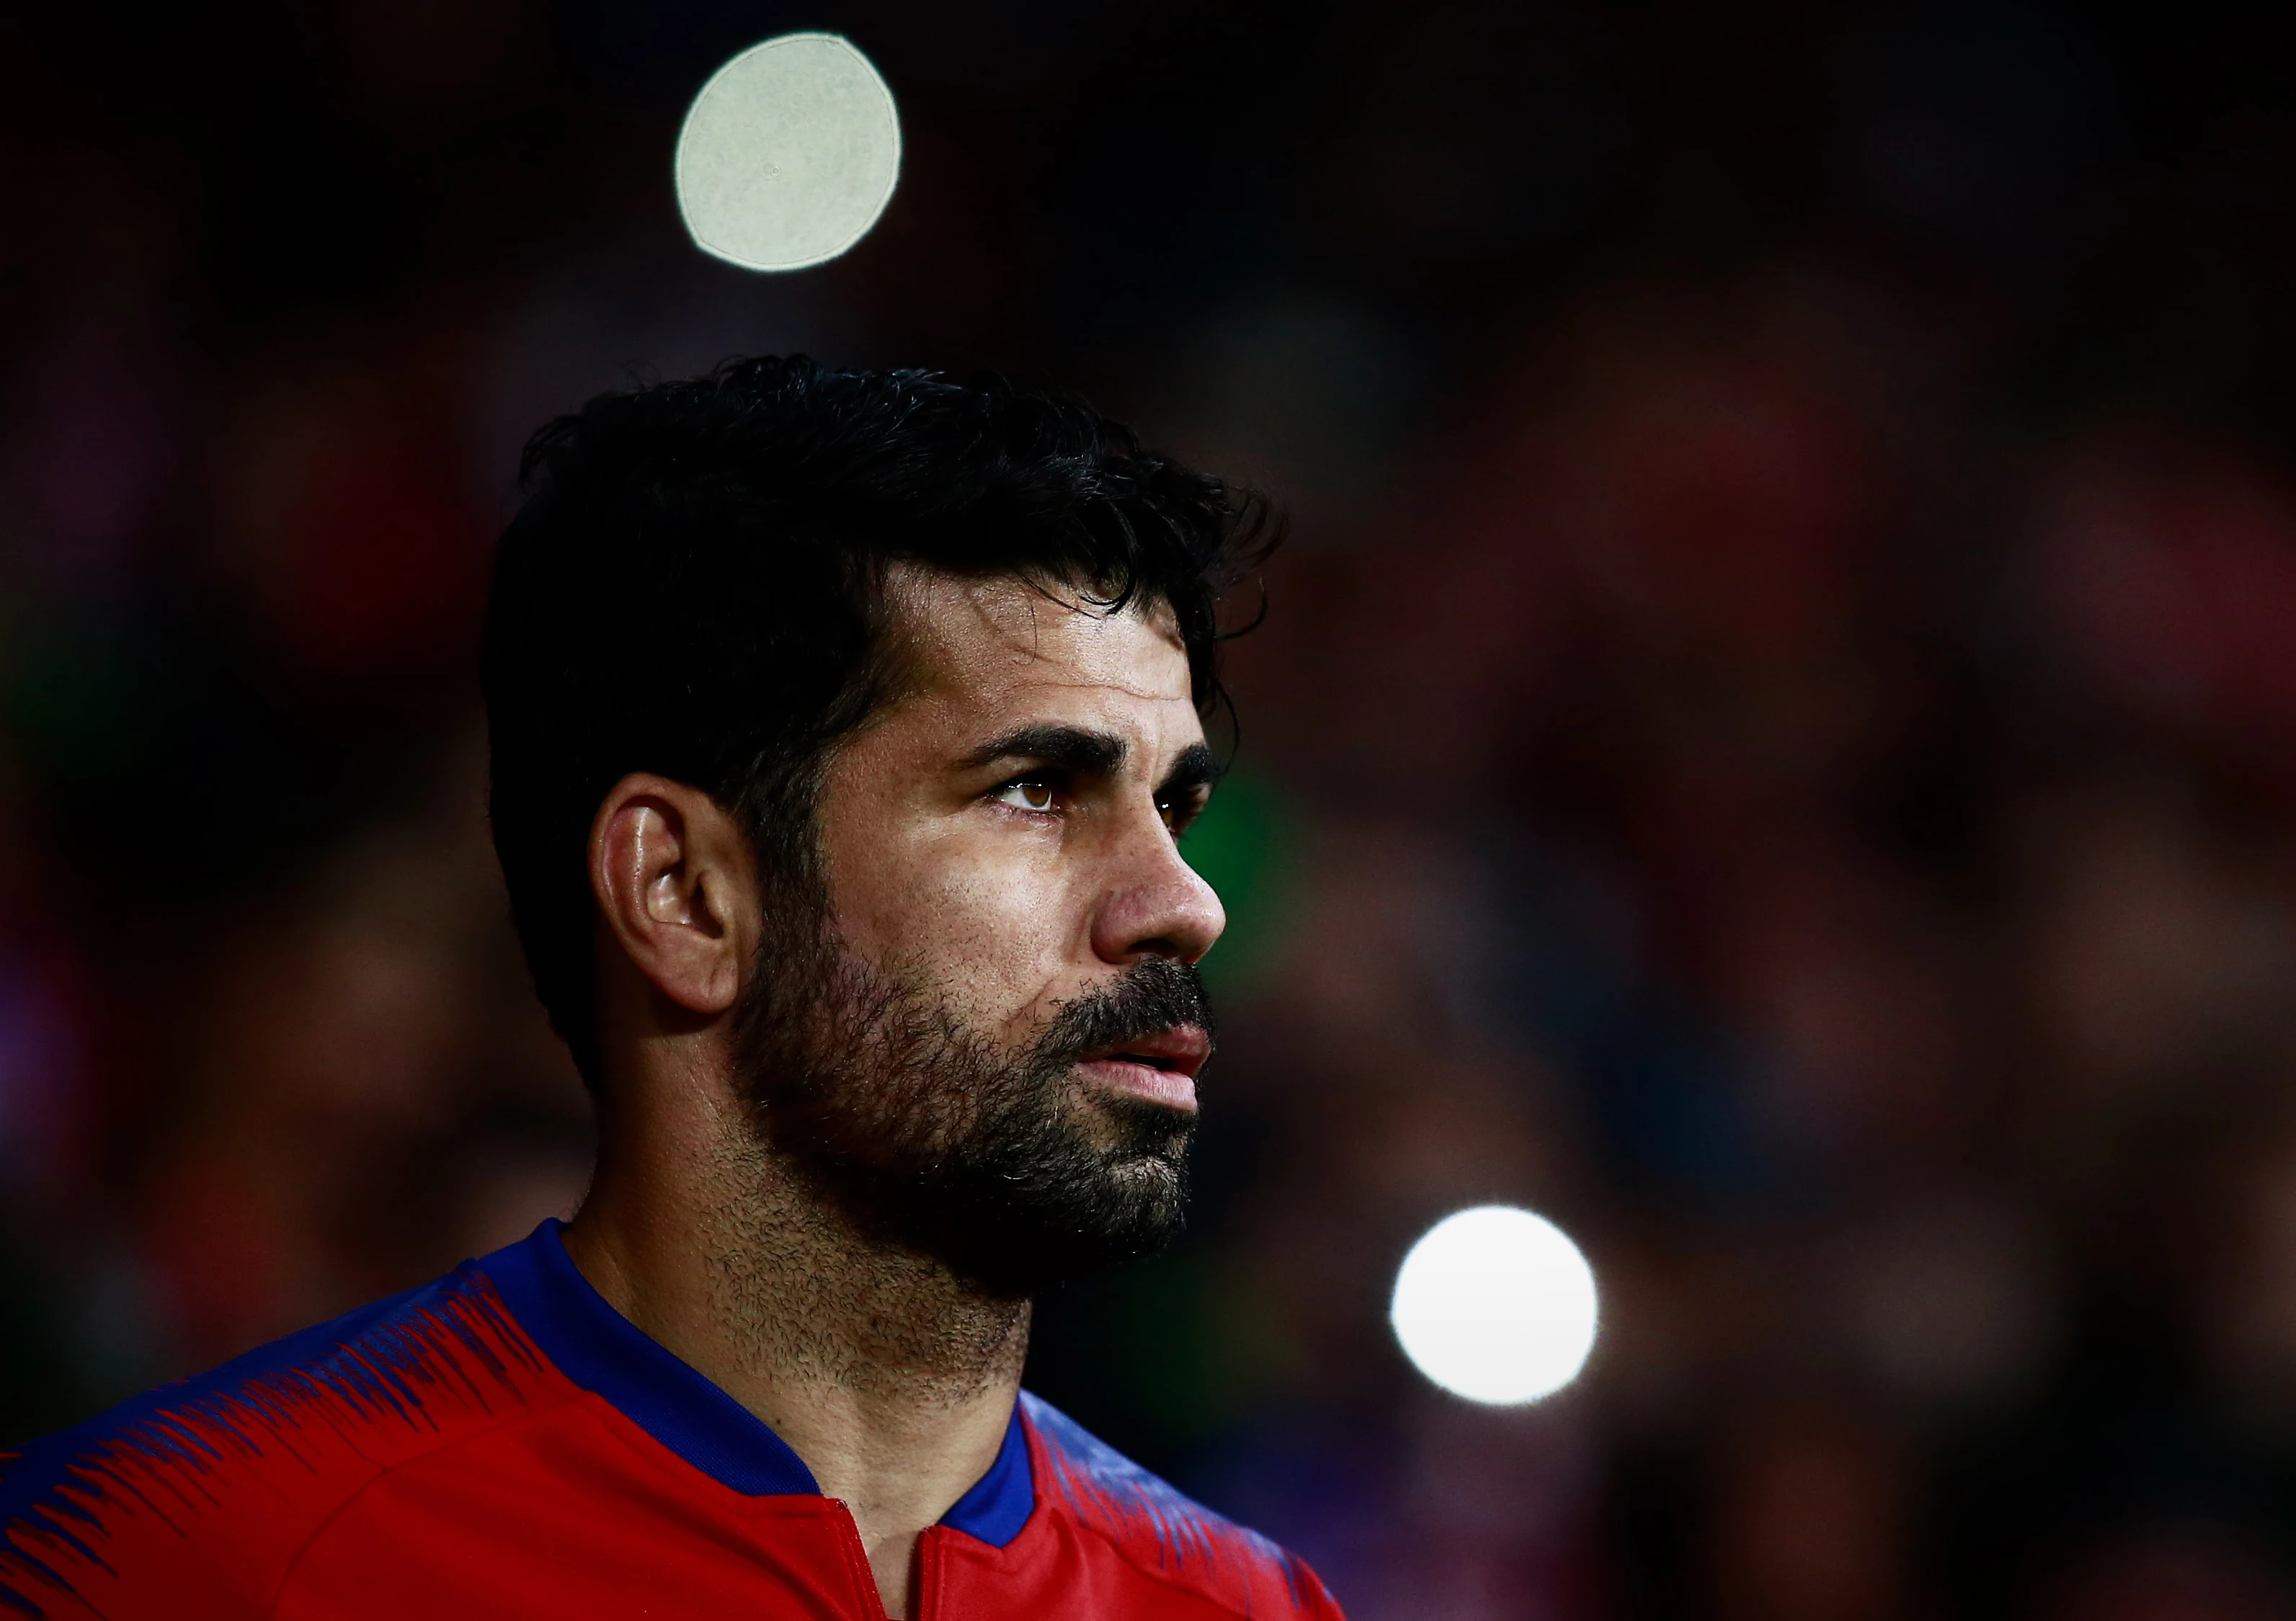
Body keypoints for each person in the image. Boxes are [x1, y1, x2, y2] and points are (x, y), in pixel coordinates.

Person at [0, 358, 1345, 1621]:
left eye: (1173, 802)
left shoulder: (1252, 1603)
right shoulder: (167, 1567)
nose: (1187, 903)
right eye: (1035, 790)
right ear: (686, 895)